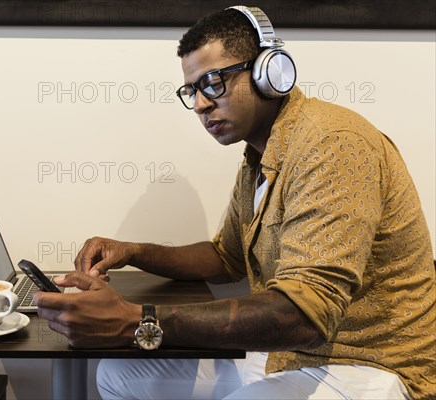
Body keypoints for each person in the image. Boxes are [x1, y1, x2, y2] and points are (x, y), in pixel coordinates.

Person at [34, 5, 435, 400]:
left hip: (369, 366)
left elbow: (305, 315)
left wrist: (138, 320)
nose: (200, 104)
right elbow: (226, 257)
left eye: (213, 82)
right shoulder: (260, 157)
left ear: (269, 73)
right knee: (122, 374)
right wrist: (134, 252)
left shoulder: (334, 145)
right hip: (292, 356)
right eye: (192, 90)